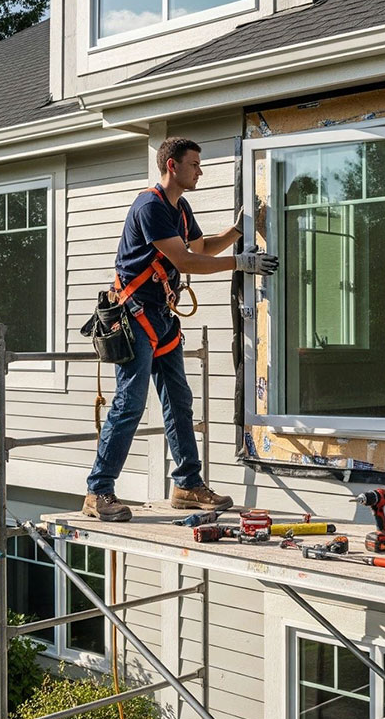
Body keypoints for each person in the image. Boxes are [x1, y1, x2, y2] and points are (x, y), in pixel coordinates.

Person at [85, 137, 278, 522]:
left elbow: (201, 248)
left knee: (179, 400)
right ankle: (98, 492)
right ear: (172, 166)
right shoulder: (150, 206)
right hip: (135, 316)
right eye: (194, 165)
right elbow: (184, 261)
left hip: (160, 317)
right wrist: (240, 264)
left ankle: (188, 485)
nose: (200, 171)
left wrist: (238, 232)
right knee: (130, 404)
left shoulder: (180, 207)